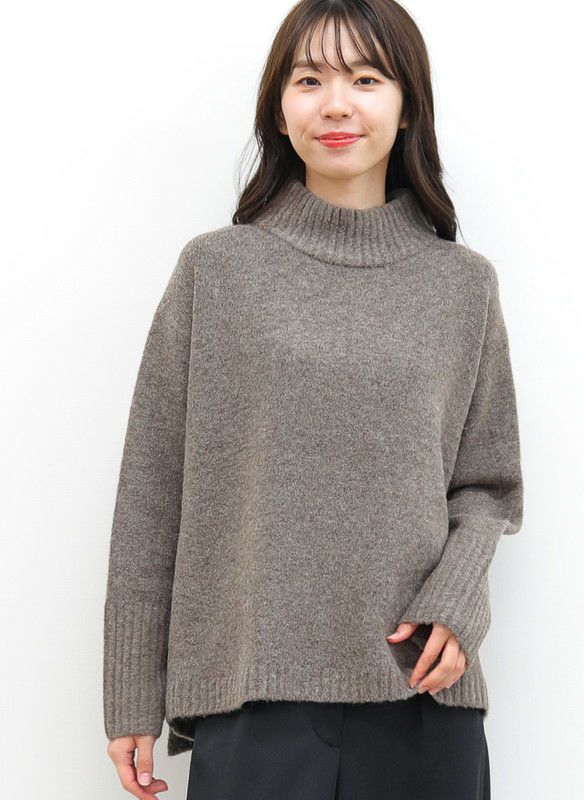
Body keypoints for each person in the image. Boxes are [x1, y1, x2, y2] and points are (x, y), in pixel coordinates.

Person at [103, 1, 524, 798]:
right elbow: (152, 493)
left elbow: (489, 485)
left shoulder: (462, 286)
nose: (336, 104)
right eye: (309, 80)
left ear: (407, 106)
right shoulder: (217, 273)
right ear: (278, 108)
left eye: (366, 79)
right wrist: (131, 693)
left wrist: (456, 601)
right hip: (250, 701)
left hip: (421, 693)